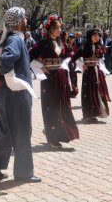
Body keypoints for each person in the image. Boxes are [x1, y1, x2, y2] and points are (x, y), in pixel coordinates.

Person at [0, 7, 41, 183]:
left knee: (5, 129)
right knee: (23, 131)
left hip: (7, 94)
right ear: (17, 22)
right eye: (23, 18)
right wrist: (12, 79)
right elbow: (6, 61)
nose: (26, 20)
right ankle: (24, 173)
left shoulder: (9, 38)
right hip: (16, 93)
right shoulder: (16, 39)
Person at [30, 15, 79, 148]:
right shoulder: (42, 44)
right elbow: (29, 56)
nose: (59, 30)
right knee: (51, 106)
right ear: (50, 29)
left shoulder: (61, 42)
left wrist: (64, 63)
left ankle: (62, 133)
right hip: (48, 79)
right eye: (56, 28)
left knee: (62, 105)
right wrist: (41, 67)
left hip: (60, 76)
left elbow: (69, 55)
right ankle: (52, 137)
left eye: (60, 28)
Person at [72, 29, 111, 122]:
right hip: (88, 72)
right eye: (94, 36)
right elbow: (74, 58)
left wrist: (103, 70)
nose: (96, 38)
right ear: (90, 37)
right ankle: (89, 114)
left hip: (97, 71)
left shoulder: (99, 47)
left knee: (98, 90)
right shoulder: (84, 47)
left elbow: (101, 59)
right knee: (89, 91)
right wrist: (82, 65)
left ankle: (99, 112)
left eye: (98, 36)